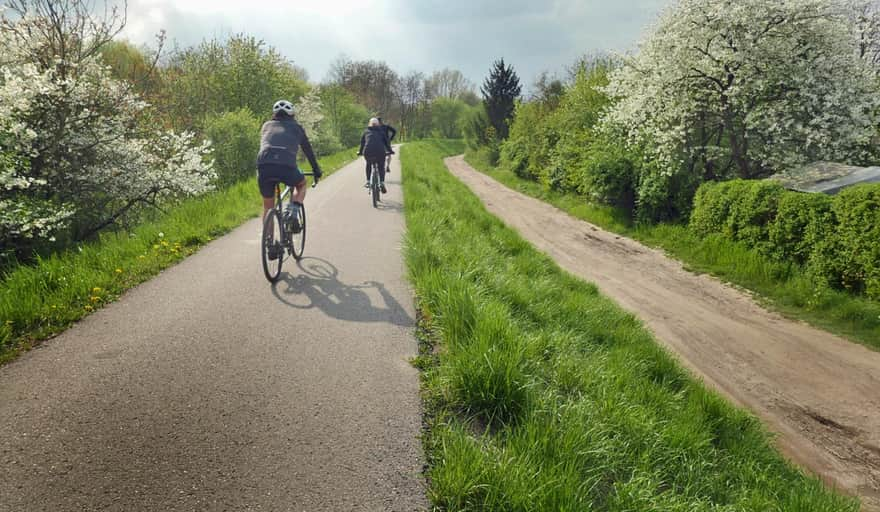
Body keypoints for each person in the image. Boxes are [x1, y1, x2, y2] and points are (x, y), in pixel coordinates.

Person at [256, 100, 322, 237]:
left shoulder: (266, 125)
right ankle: (293, 209)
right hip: (286, 166)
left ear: (274, 114)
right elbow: (307, 150)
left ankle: (270, 244)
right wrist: (316, 169)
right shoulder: (297, 128)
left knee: (268, 207)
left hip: (264, 166)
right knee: (301, 184)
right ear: (292, 114)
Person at [358, 117, 393, 193]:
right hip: (380, 152)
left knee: (368, 164)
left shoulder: (366, 131)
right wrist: (390, 151)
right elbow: (386, 144)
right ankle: (382, 183)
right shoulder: (382, 132)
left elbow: (362, 144)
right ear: (378, 124)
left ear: (369, 124)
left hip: (368, 152)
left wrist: (360, 152)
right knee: (381, 166)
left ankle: (368, 181)